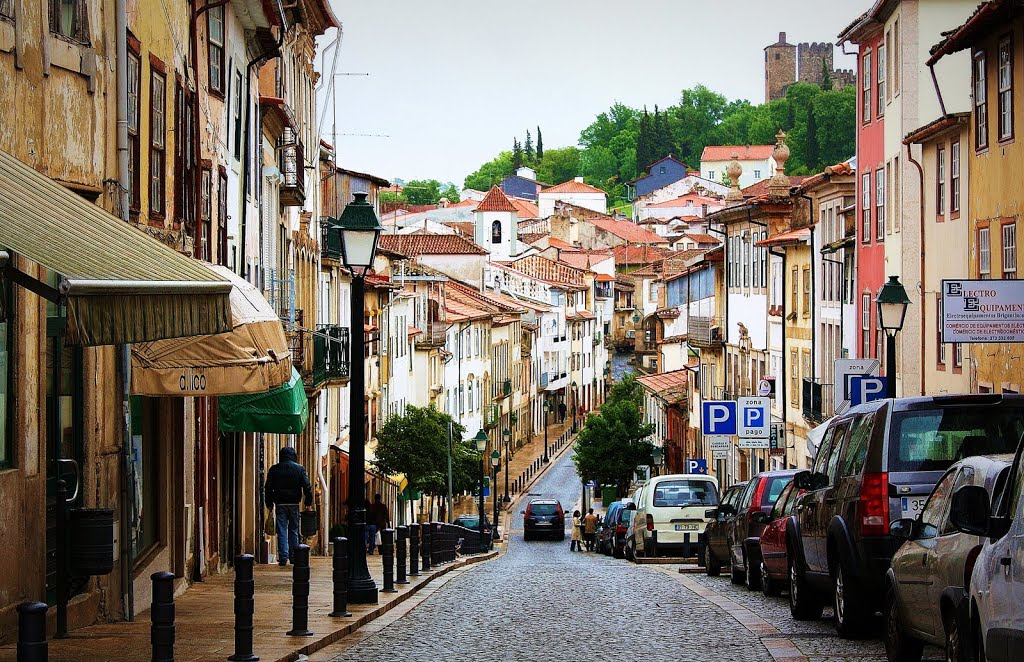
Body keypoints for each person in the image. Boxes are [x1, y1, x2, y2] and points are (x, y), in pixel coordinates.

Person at [264, 446, 313, 567]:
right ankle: (293, 556)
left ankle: (283, 557)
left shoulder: (274, 469)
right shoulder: (299, 469)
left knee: (281, 530)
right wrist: (308, 503)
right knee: (293, 530)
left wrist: (269, 503)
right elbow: (307, 486)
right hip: (294, 503)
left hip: (280, 503)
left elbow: (268, 487)